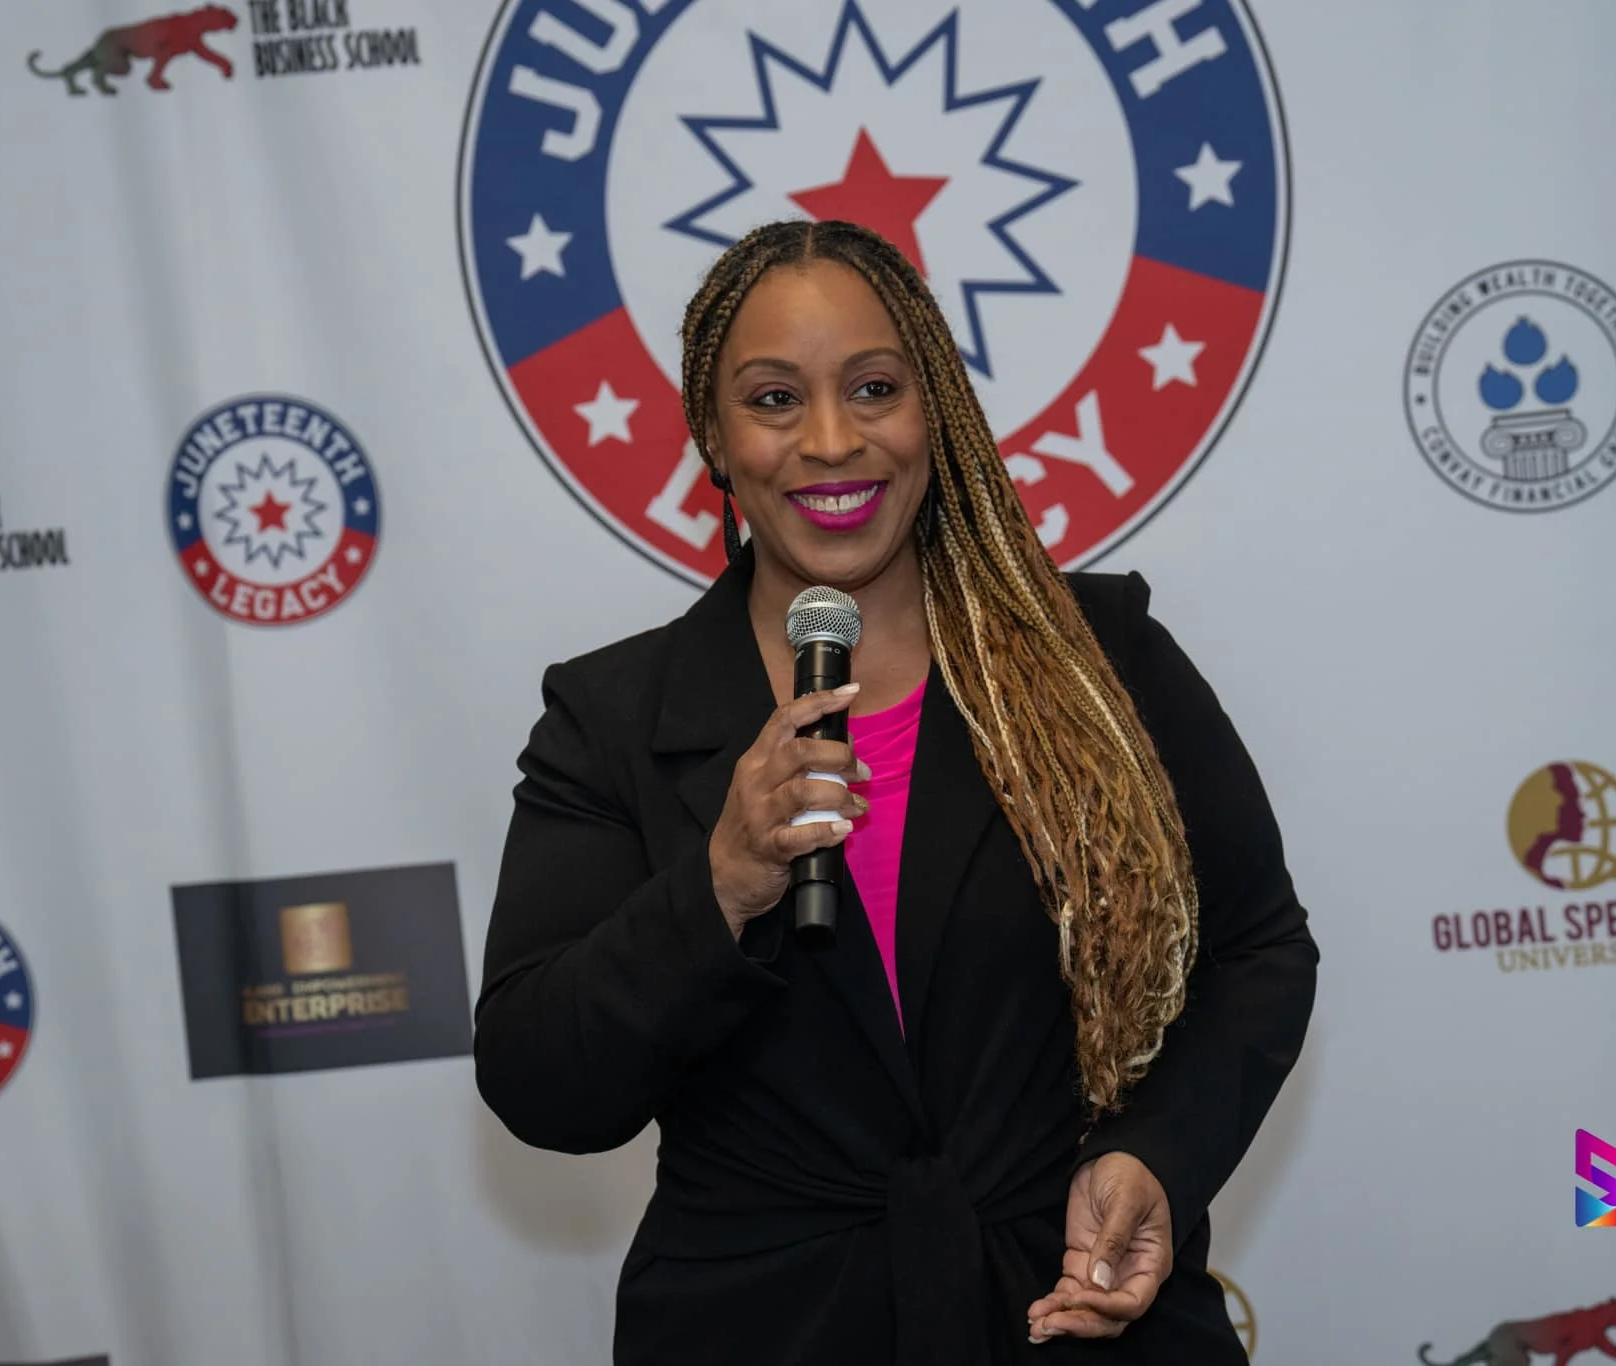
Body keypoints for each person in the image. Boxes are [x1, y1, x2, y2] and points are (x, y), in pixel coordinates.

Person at [475, 218, 1317, 1365]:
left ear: (937, 411)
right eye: (774, 400)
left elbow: (1256, 949)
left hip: (1068, 1311)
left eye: (874, 388)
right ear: (712, 436)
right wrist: (721, 883)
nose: (831, 441)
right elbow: (539, 1082)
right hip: (764, 1330)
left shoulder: (1096, 655)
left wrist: (1156, 1154)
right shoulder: (609, 719)